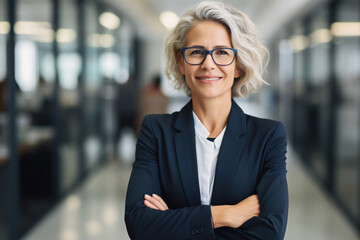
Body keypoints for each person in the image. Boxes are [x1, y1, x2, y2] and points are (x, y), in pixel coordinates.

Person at [125, 1, 288, 239]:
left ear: (238, 66)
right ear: (181, 63)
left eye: (222, 52)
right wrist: (223, 215)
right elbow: (139, 225)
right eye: (196, 52)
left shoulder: (268, 136)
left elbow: (270, 233)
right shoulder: (155, 131)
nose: (208, 64)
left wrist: (172, 222)